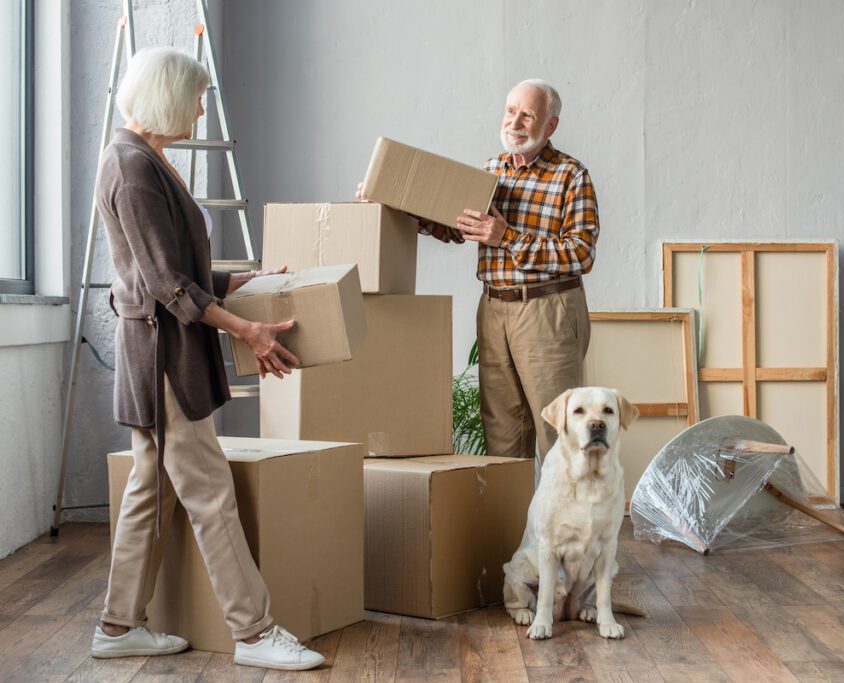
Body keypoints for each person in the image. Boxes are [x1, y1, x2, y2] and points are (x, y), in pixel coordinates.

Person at [90, 47, 324, 671]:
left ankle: (117, 626)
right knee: (210, 493)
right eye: (196, 97)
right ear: (168, 96)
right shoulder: (133, 166)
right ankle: (254, 633)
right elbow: (167, 286)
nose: (201, 107)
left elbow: (173, 273)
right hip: (165, 358)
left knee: (153, 489)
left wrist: (241, 279)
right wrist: (249, 331)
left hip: (162, 349)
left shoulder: (146, 159)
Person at [362, 79, 599, 461]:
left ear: (550, 126)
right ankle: (512, 522)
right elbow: (453, 227)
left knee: (561, 436)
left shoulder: (571, 175)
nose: (515, 122)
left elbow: (581, 253)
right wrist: (392, 199)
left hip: (548, 311)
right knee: (501, 434)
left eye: (528, 115)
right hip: (493, 310)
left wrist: (507, 238)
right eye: (510, 111)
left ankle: (568, 523)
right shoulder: (491, 169)